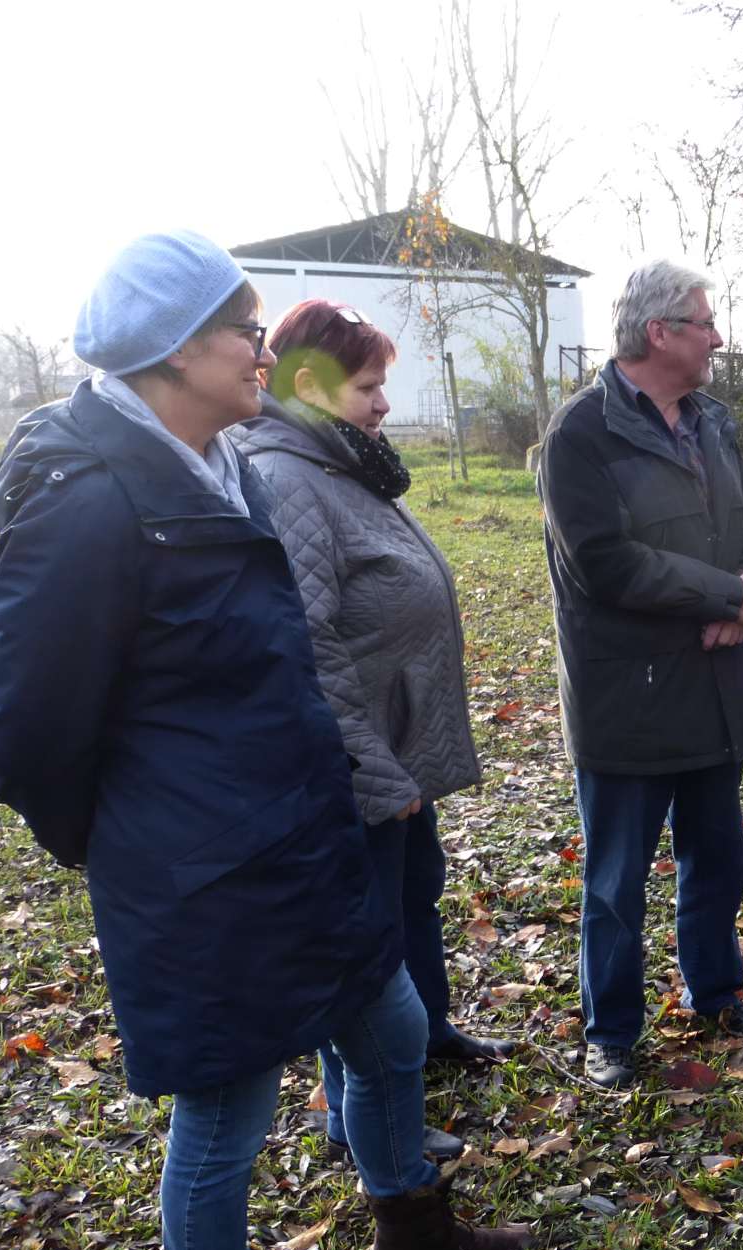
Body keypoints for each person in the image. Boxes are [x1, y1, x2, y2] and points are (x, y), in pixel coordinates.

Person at [0, 232, 531, 1250]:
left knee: (386, 1029)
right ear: (174, 350)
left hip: (300, 835)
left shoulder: (220, 462)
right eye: (242, 329)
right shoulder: (87, 501)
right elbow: (24, 732)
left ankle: (409, 1226)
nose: (259, 351)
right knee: (226, 1106)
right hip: (197, 870)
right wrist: (126, 838)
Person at [238, 298, 514, 1163]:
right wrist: (375, 775)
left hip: (399, 745)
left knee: (410, 902)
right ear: (310, 385)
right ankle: (353, 1105)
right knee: (363, 939)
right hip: (359, 760)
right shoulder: (286, 475)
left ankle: (427, 1036)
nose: (385, 404)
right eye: (369, 386)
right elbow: (310, 646)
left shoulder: (342, 460)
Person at [536, 260, 743, 1090]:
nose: (718, 338)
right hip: (629, 699)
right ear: (660, 333)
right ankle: (611, 1031)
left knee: (718, 859)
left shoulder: (711, 422)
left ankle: (714, 992)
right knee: (615, 882)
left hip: (714, 685)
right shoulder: (580, 435)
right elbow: (604, 564)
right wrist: (724, 593)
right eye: (706, 323)